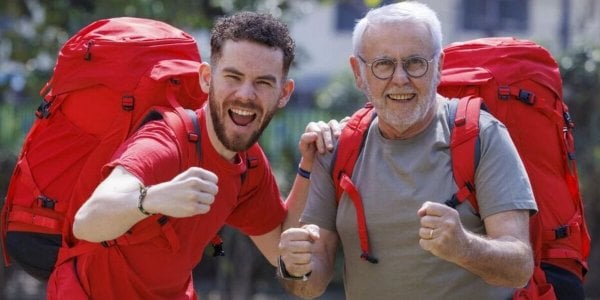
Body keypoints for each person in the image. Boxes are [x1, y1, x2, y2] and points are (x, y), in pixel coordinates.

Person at [278, 2, 538, 299]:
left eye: (415, 62)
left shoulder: (482, 135)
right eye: (383, 64)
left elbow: (520, 266)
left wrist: (464, 247)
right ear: (359, 72)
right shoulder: (337, 148)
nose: (400, 78)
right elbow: (310, 284)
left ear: (438, 66)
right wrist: (295, 266)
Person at [69, 12, 338, 299]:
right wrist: (154, 198)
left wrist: (309, 164)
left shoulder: (248, 163)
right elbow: (86, 221)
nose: (245, 94)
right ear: (207, 79)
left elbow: (277, 248)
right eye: (233, 77)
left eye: (263, 82)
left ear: (284, 93)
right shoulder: (165, 142)